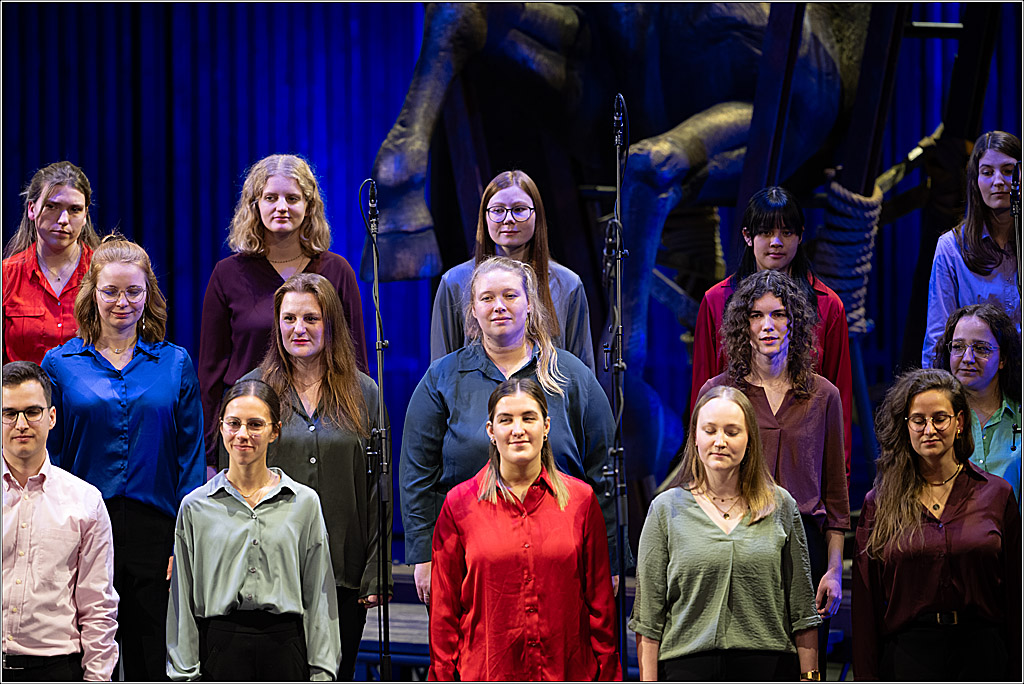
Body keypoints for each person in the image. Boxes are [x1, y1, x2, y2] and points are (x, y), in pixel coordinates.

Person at [401, 256, 621, 606]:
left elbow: (604, 469)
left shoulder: (571, 375)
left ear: (530, 304)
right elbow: (418, 473)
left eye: (510, 296)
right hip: (469, 554)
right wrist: (422, 554)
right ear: (472, 309)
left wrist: (610, 556)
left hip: (560, 552)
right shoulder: (442, 378)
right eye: (487, 298)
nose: (498, 306)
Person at [41, 236, 205, 681]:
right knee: (91, 652)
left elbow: (190, 456)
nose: (122, 302)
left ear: (148, 293)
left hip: (157, 529)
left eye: (134, 291)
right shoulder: (59, 364)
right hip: (84, 528)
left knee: (153, 655)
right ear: (93, 292)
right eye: (111, 291)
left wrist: (184, 540)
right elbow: (49, 455)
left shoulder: (174, 363)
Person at [235, 273, 389, 681]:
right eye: (288, 319)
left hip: (343, 572)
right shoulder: (253, 391)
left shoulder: (365, 393)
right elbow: (233, 485)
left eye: (311, 319)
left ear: (331, 324)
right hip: (269, 571)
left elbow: (380, 489)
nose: (298, 329)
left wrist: (377, 568)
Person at [696, 269, 849, 676]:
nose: (768, 325)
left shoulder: (823, 395)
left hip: (807, 547)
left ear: (793, 322)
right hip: (741, 541)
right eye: (757, 315)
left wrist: (834, 571)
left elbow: (836, 495)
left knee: (805, 669)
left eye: (778, 314)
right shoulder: (720, 393)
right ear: (742, 326)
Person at [429, 378, 620, 681]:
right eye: (506, 420)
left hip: (566, 673)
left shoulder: (580, 502)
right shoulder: (459, 505)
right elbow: (444, 611)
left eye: (528, 418)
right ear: (491, 431)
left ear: (546, 426)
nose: (518, 430)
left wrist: (609, 674)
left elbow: (601, 605)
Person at [631, 385, 821, 681]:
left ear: (749, 440)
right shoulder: (665, 509)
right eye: (710, 430)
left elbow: (802, 610)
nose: (720, 441)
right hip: (688, 666)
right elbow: (648, 617)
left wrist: (811, 678)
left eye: (732, 432)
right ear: (695, 437)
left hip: (767, 666)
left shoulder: (781, 505)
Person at [198, 154, 368, 469]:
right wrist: (210, 457)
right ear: (254, 204)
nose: (282, 207)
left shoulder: (337, 271)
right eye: (270, 197)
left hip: (326, 433)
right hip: (249, 435)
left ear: (309, 205)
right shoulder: (227, 274)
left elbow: (356, 362)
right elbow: (210, 373)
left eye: (292, 198)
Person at [852, 368, 1021, 681]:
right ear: (907, 427)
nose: (929, 429)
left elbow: (1016, 597)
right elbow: (866, 609)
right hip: (908, 659)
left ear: (959, 423)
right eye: (918, 420)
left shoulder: (996, 494)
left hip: (983, 656)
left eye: (939, 418)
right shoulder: (879, 503)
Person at [166, 379, 340, 681]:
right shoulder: (195, 507)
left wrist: (322, 672)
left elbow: (319, 595)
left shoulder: (304, 503)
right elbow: (182, 599)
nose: (243, 434)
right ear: (221, 428)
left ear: (275, 431)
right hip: (220, 649)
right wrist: (184, 674)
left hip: (285, 647)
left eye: (255, 424)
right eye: (234, 423)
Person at [690, 186, 852, 477]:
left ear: (801, 236)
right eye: (765, 232)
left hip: (802, 459)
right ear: (747, 236)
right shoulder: (716, 301)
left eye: (787, 233)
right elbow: (703, 392)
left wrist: (839, 479)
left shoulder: (828, 306)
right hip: (734, 460)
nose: (776, 242)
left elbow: (839, 400)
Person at [2, 361, 118, 682]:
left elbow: (98, 608)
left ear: (51, 417)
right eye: (9, 413)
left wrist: (97, 678)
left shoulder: (85, 501)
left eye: (32, 412)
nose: (21, 423)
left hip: (55, 668)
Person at [430, 169, 595, 372]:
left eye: (519, 209)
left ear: (537, 215)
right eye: (498, 210)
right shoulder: (455, 282)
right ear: (485, 217)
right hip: (476, 401)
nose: (508, 219)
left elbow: (582, 370)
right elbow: (440, 369)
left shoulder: (568, 284)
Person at [922, 130, 1022, 366]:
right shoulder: (951, 248)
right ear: (975, 181)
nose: (999, 181)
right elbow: (938, 338)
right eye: (987, 172)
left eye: (1008, 171)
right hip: (974, 386)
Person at [3, 162, 100, 365]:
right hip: (22, 395)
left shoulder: (104, 274)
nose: (63, 219)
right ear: (31, 208)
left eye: (74, 209)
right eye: (52, 206)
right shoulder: (6, 276)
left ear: (85, 216)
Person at [933, 303, 1022, 500]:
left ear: (1003, 359)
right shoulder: (933, 419)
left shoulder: (1019, 413)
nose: (967, 358)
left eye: (981, 349)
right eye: (958, 347)